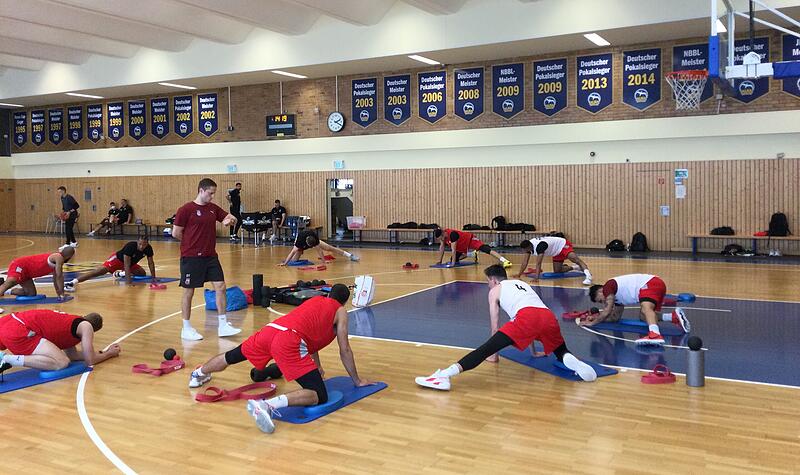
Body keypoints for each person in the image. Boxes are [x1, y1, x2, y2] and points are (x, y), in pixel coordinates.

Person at [187, 284, 373, 434]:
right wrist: (357, 380)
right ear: (344, 302)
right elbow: (344, 349)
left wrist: (317, 368)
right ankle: (266, 406)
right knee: (319, 395)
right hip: (289, 340)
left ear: (329, 294)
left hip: (271, 330)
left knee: (232, 356)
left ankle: (198, 374)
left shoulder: (316, 301)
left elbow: (311, 337)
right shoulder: (340, 311)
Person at [415, 264, 597, 390]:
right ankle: (569, 359)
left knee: (484, 349)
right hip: (547, 316)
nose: (488, 285)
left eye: (488, 281)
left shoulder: (495, 290)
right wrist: (533, 351)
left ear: (493, 280)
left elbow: (495, 326)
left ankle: (444, 376)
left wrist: (493, 355)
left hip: (526, 317)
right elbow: (531, 321)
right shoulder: (522, 284)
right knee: (561, 350)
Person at [172, 178, 240, 340]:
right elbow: (176, 233)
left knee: (220, 286)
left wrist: (229, 220)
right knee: (189, 291)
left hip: (210, 256)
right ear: (201, 191)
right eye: (210, 193)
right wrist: (191, 244)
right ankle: (186, 328)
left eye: (214, 193)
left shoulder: (212, 208)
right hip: (191, 257)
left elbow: (230, 217)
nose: (212, 196)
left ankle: (223, 325)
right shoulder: (186, 209)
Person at [0, 309, 120, 372]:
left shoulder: (68, 323)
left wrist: (100, 353)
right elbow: (90, 360)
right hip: (20, 330)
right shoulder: (86, 326)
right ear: (94, 329)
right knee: (61, 362)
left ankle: (3, 357)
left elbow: (73, 355)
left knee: (62, 358)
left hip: (11, 321)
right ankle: (8, 359)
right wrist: (109, 354)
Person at [586, 274, 691, 346]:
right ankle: (673, 317)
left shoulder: (608, 287)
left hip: (651, 283)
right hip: (656, 285)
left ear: (600, 291)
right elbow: (615, 317)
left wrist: (593, 322)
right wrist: (597, 318)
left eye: (601, 300)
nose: (603, 302)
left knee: (646, 309)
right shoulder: (617, 298)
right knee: (644, 317)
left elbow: (607, 310)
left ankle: (655, 334)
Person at [64, 236, 157, 291]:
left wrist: (153, 278)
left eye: (144, 245)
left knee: (142, 273)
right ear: (137, 242)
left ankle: (120, 274)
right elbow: (126, 265)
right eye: (140, 244)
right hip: (117, 260)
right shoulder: (130, 246)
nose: (141, 246)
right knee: (99, 271)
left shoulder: (148, 249)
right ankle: (72, 282)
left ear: (147, 244)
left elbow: (151, 263)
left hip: (130, 263)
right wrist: (128, 283)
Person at [0, 247, 74, 300]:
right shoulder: (58, 257)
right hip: (20, 265)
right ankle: (2, 288)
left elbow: (55, 279)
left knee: (30, 293)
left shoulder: (58, 261)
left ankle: (6, 291)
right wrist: (62, 294)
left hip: (28, 273)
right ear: (70, 256)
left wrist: (59, 294)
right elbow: (59, 276)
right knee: (10, 282)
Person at [516, 236, 593, 285]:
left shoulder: (540, 247)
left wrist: (536, 278)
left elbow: (538, 263)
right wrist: (519, 274)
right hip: (555, 252)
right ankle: (576, 267)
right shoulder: (528, 246)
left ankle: (588, 277)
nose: (524, 251)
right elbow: (525, 262)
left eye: (524, 250)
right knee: (558, 271)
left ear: (528, 247)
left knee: (576, 259)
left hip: (562, 245)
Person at [434, 228, 512, 268]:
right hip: (461, 245)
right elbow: (442, 248)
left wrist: (453, 264)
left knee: (485, 249)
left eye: (441, 238)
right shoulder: (443, 238)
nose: (441, 240)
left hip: (470, 240)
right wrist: (440, 261)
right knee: (454, 259)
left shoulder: (452, 234)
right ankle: (472, 254)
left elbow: (453, 250)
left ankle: (505, 261)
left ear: (443, 233)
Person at [279, 229, 359, 265]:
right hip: (300, 242)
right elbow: (292, 252)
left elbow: (319, 251)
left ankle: (350, 255)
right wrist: (285, 263)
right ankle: (287, 260)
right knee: (294, 260)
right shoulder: (299, 241)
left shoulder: (314, 237)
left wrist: (324, 261)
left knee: (330, 248)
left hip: (311, 240)